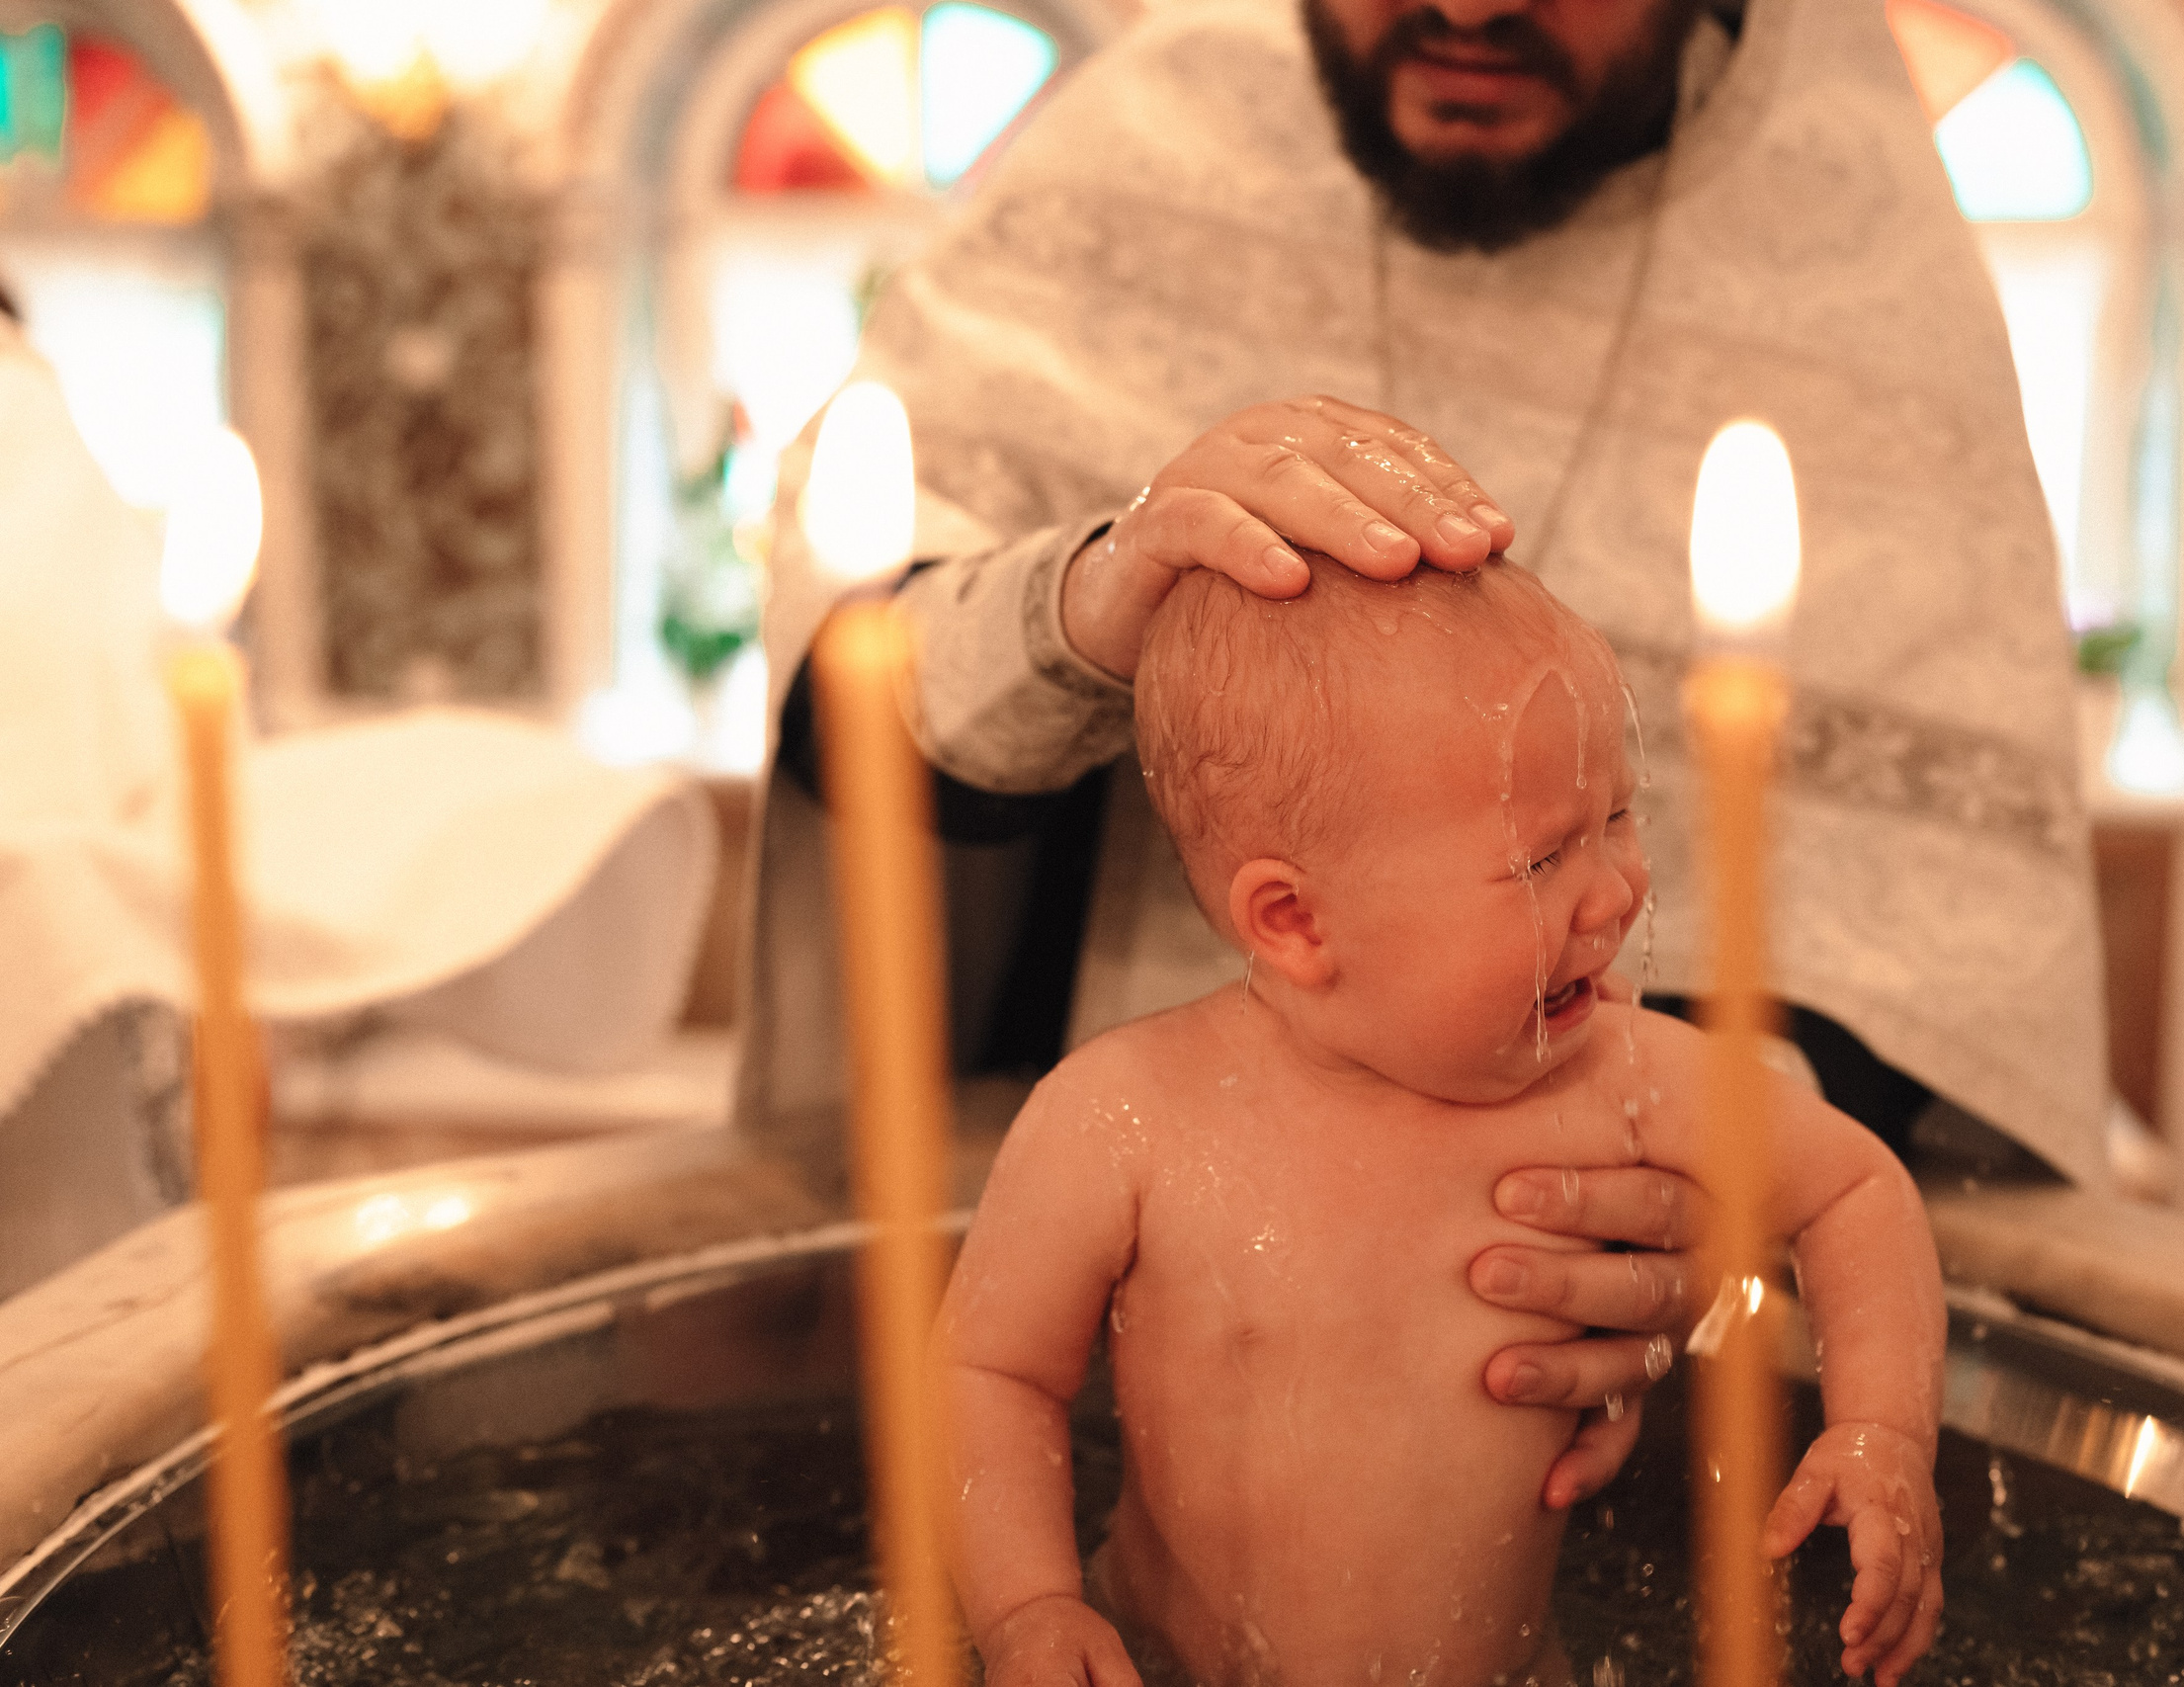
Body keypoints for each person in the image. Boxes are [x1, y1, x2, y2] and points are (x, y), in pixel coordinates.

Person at [745, 0, 2104, 1501]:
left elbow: (1941, 927)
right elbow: (862, 683)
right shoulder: (1156, 140)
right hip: (1162, 1342)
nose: (1461, 9)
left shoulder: (1857, 242)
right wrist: (1093, 601)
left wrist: (1658, 1191)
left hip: (1673, 1396)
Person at [939, 556, 1946, 1687]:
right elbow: (988, 1375)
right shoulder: (1125, 1115)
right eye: (1539, 859)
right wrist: (1027, 1608)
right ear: (1295, 920)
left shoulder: (1618, 1078)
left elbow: (1855, 1191)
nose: (1617, 892)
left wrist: (1882, 1436)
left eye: (1616, 817)